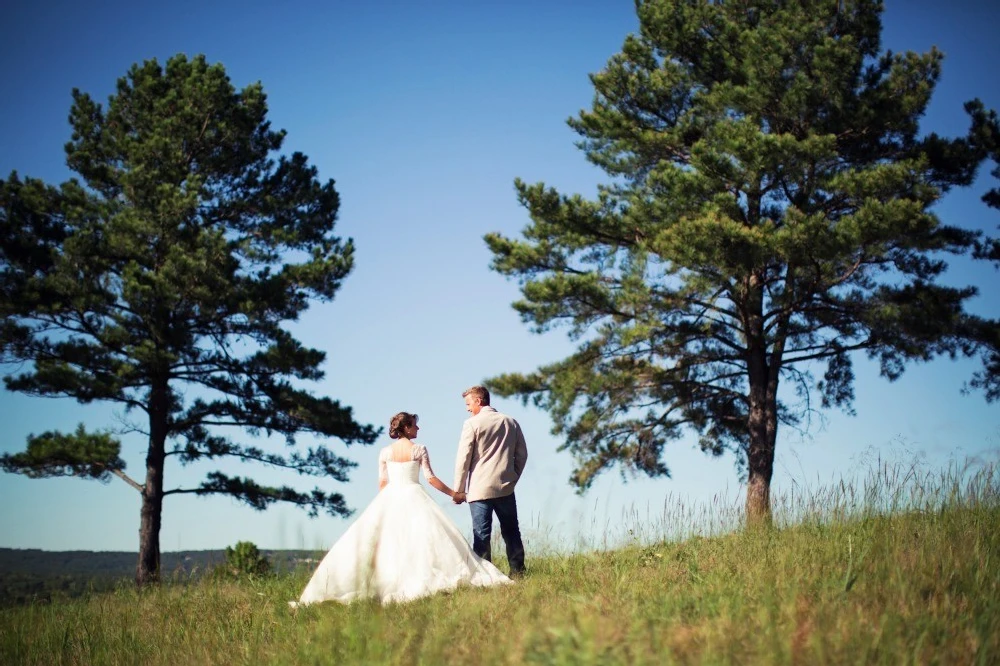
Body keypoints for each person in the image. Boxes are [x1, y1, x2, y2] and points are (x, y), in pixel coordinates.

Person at [292, 412, 511, 606]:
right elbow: (431, 479)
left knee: (389, 543)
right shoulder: (418, 449)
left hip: (390, 497)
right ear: (406, 427)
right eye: (415, 425)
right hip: (414, 495)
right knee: (421, 541)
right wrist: (454, 493)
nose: (418, 428)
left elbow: (382, 483)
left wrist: (384, 505)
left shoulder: (385, 452)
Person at [453, 386, 528, 575]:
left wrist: (458, 489)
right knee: (511, 532)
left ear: (478, 401)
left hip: (479, 489)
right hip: (505, 487)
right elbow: (522, 455)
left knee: (481, 535)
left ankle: (484, 576)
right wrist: (512, 478)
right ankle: (518, 572)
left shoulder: (471, 424)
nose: (467, 408)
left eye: (468, 403)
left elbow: (463, 458)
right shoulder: (510, 421)